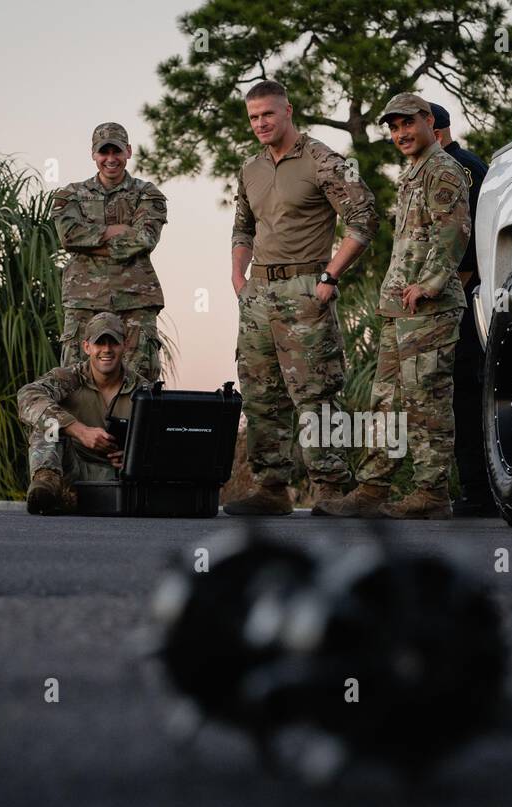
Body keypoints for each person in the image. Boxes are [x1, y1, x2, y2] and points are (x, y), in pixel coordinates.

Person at [223, 80, 380, 516]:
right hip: (257, 294)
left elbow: (365, 218)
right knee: (260, 392)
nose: (260, 124)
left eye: (268, 114)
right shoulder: (250, 168)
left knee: (315, 393)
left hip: (305, 290)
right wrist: (238, 275)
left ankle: (330, 489)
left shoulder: (324, 160)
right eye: (253, 117)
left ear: (288, 110)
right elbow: (243, 228)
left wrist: (330, 275)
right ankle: (271, 488)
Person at [316, 94, 469, 520]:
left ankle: (431, 493)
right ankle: (373, 488)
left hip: (428, 308)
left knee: (427, 399)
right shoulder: (412, 174)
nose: (400, 133)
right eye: (394, 127)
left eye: (408, 124)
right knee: (386, 401)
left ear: (427, 121)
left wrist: (430, 285)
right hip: (397, 308)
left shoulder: (443, 170)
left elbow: (453, 232)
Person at [52, 123, 168, 380]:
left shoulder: (147, 194)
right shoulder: (70, 195)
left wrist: (90, 243)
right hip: (84, 302)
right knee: (76, 379)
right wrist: (118, 231)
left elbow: (145, 238)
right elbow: (69, 236)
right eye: (104, 152)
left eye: (116, 151)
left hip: (135, 302)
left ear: (128, 151)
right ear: (94, 154)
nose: (111, 159)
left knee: (140, 383)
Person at [430, 102, 495, 517]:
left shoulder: (461, 167)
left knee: (469, 392)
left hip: (468, 296)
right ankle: (475, 489)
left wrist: (460, 284)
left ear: (434, 130)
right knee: (463, 392)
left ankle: (480, 491)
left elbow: (469, 234)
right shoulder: (446, 164)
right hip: (462, 294)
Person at [17, 313, 148, 515]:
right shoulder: (69, 378)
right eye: (99, 343)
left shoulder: (143, 390)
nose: (106, 350)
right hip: (71, 468)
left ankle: (67, 500)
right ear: (87, 347)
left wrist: (134, 457)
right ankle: (47, 483)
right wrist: (79, 430)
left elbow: (161, 440)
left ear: (125, 345)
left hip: (119, 477)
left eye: (113, 342)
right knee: (48, 422)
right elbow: (28, 396)